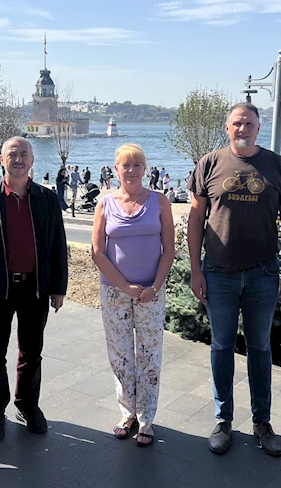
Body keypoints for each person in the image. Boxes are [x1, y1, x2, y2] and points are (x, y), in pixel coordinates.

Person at [187, 103, 281, 457]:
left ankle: (262, 422)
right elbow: (195, 219)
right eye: (237, 123)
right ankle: (223, 420)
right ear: (227, 127)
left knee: (260, 348)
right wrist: (195, 269)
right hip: (218, 273)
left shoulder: (276, 165)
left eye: (249, 123)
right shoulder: (209, 163)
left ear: (258, 128)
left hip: (262, 274)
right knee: (221, 347)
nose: (243, 129)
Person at [0, 137, 68, 441]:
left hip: (35, 288)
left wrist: (58, 288)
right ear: (2, 159)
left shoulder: (47, 199)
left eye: (24, 154)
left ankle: (27, 405)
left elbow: (58, 245)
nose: (19, 159)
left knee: (32, 352)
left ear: (32, 160)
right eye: (13, 154)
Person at [92, 144, 174, 447]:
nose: (131, 170)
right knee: (121, 355)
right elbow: (98, 252)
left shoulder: (159, 201)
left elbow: (169, 249)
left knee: (149, 355)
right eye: (125, 165)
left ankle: (146, 418)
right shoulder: (105, 203)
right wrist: (125, 286)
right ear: (116, 169)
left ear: (144, 169)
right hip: (115, 292)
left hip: (151, 292)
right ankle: (127, 413)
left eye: (137, 164)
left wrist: (155, 286)